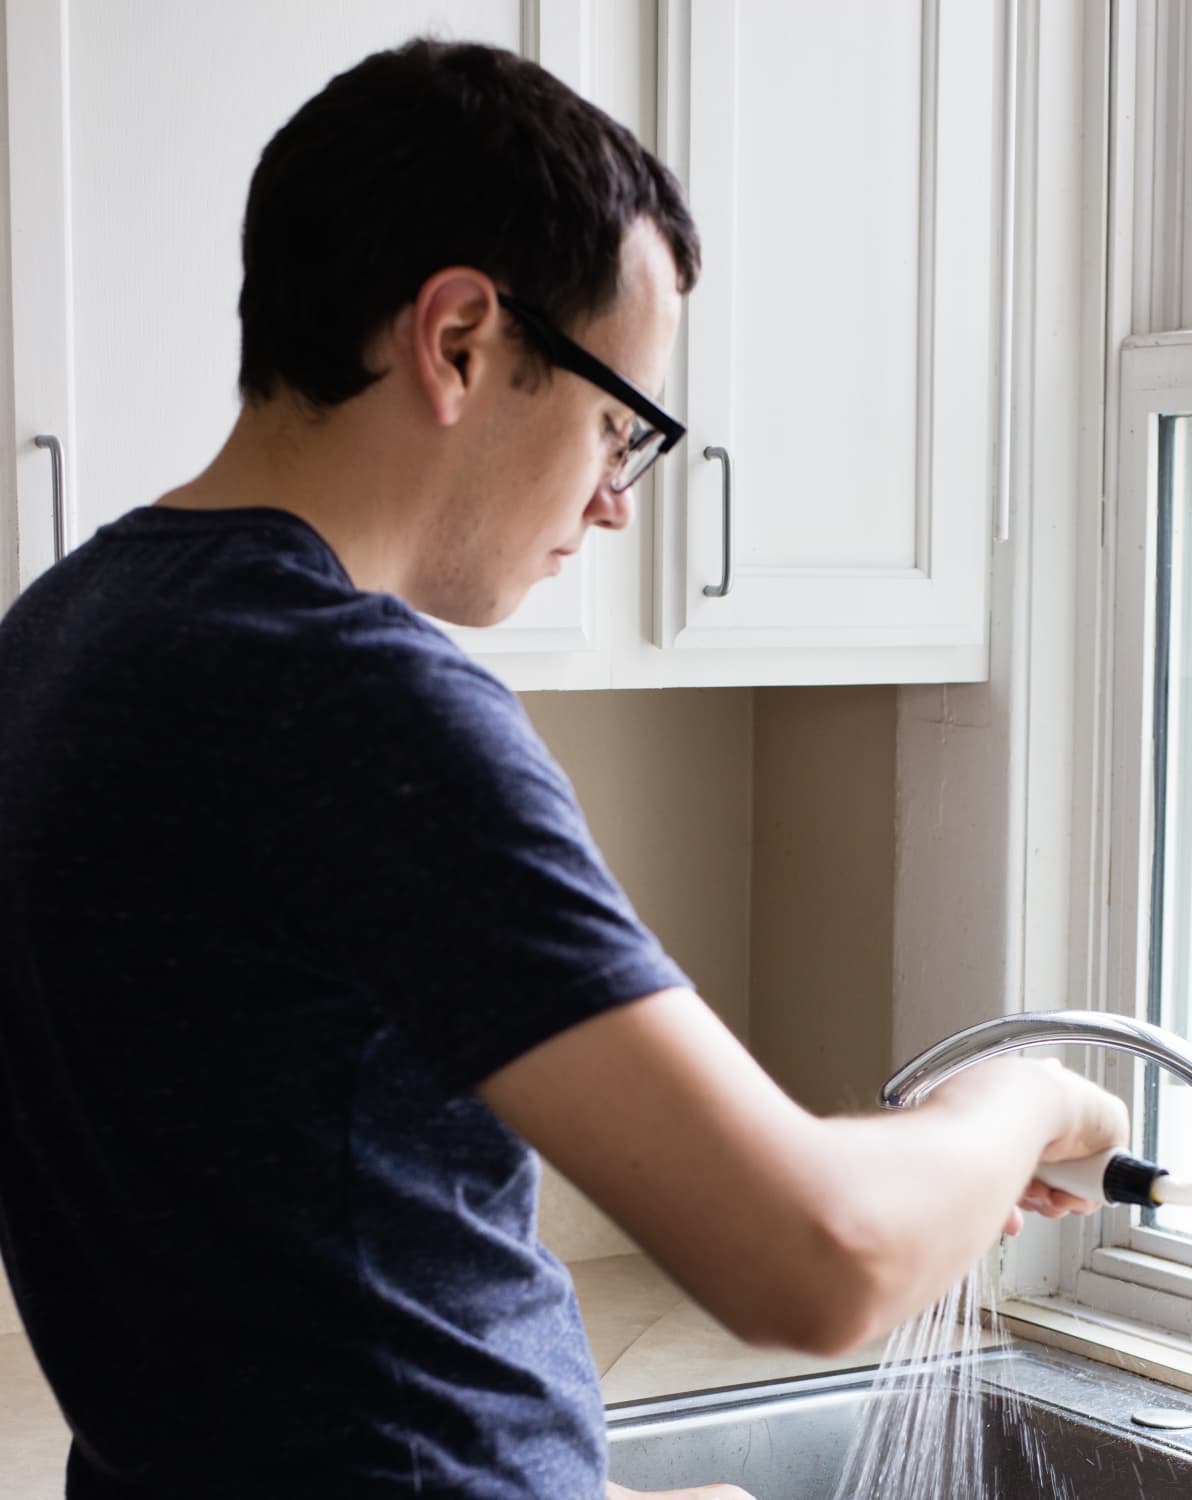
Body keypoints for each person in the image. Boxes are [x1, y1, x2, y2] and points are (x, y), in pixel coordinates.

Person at [0, 37, 1129, 1500]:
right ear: (460, 337)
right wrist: (1026, 1099)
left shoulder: (66, 631)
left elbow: (272, 1270)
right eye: (615, 420)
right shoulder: (358, 702)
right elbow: (819, 1263)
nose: (611, 501)